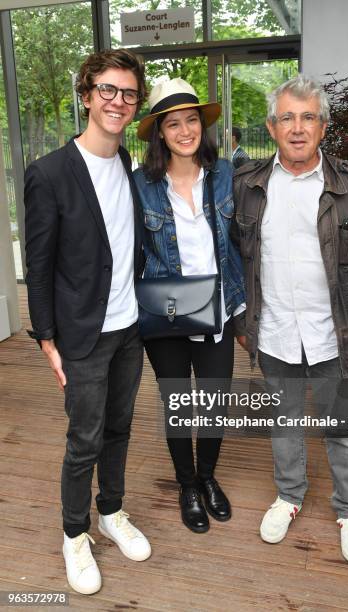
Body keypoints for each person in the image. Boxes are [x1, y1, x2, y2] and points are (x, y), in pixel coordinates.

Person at [232, 75, 348, 564]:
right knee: (284, 424)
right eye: (287, 118)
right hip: (276, 332)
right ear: (272, 126)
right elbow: (234, 261)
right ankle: (288, 495)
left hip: (335, 335)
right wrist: (244, 324)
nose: (297, 128)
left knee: (341, 427)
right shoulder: (248, 186)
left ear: (323, 127)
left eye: (308, 118)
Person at [24, 49, 151, 596]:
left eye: (127, 93)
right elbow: (39, 264)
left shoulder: (129, 165)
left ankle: (111, 512)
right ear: (86, 96)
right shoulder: (48, 173)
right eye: (107, 90)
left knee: (120, 429)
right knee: (85, 439)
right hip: (82, 335)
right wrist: (47, 339)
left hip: (130, 328)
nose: (117, 101)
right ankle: (74, 533)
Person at [133, 78, 246, 534]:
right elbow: (127, 249)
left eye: (192, 120)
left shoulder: (226, 175)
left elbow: (244, 240)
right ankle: (187, 486)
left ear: (203, 125)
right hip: (167, 313)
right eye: (173, 123)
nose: (185, 130)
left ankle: (208, 478)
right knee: (178, 403)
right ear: (160, 132)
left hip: (218, 309)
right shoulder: (140, 184)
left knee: (215, 402)